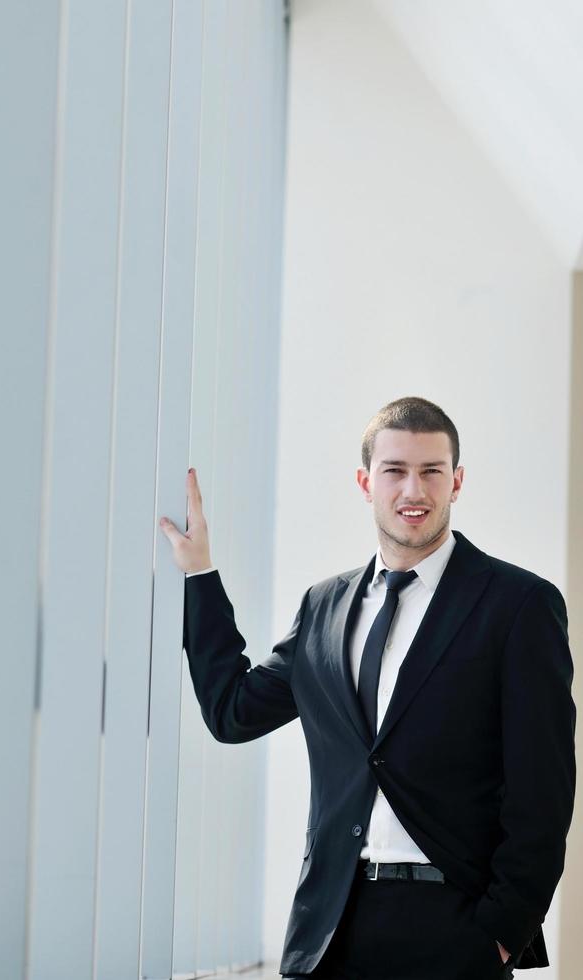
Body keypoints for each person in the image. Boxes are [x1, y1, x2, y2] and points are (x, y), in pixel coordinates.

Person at [159, 396, 576, 980]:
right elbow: (233, 714)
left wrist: (503, 932)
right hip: (332, 927)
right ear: (365, 481)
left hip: (454, 928)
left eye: (432, 471)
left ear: (456, 482)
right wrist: (200, 574)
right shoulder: (324, 606)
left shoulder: (518, 605)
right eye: (395, 471)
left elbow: (544, 788)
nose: (415, 490)